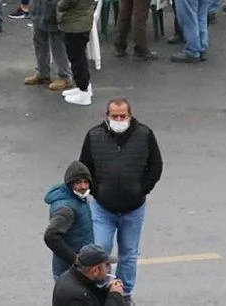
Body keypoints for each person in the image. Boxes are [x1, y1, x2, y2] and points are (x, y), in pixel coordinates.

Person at [79, 97, 162, 301]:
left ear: (129, 115)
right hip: (103, 208)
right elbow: (85, 166)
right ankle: (100, 288)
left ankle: (124, 293)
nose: (118, 119)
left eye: (122, 116)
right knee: (101, 250)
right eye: (114, 116)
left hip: (133, 208)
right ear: (107, 116)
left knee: (129, 254)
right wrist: (97, 192)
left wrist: (141, 189)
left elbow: (155, 165)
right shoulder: (94, 136)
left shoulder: (144, 134)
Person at [57, 0, 100, 106]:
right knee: (79, 54)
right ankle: (83, 86)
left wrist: (61, 6)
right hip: (85, 15)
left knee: (76, 56)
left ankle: (83, 92)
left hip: (74, 19)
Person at [44, 161, 94, 280]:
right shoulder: (66, 209)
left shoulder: (77, 198)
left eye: (86, 182)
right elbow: (51, 236)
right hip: (70, 273)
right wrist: (76, 260)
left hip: (75, 270)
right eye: (78, 182)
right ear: (70, 184)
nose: (83, 187)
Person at [52, 244, 127, 305]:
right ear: (95, 270)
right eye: (106, 265)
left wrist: (107, 290)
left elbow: (92, 293)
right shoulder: (79, 297)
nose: (109, 269)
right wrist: (115, 296)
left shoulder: (71, 276)